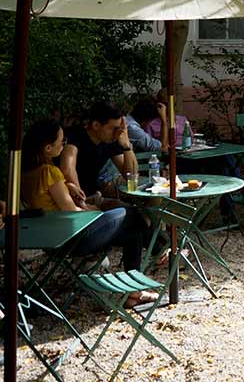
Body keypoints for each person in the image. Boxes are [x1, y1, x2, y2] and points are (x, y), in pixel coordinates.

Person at [22, 120, 156, 306]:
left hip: (51, 239)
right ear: (48, 147)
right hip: (73, 239)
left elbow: (50, 203)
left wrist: (69, 187)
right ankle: (156, 250)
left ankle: (135, 291)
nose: (64, 144)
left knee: (132, 233)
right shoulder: (50, 172)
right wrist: (94, 210)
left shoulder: (25, 175)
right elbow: (72, 212)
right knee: (128, 213)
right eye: (62, 141)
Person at [60, 101, 139, 202]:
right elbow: (68, 170)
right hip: (71, 198)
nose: (117, 133)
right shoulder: (75, 136)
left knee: (138, 208)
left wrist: (126, 146)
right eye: (113, 128)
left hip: (94, 196)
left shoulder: (111, 140)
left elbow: (131, 177)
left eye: (119, 128)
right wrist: (82, 202)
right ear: (96, 125)